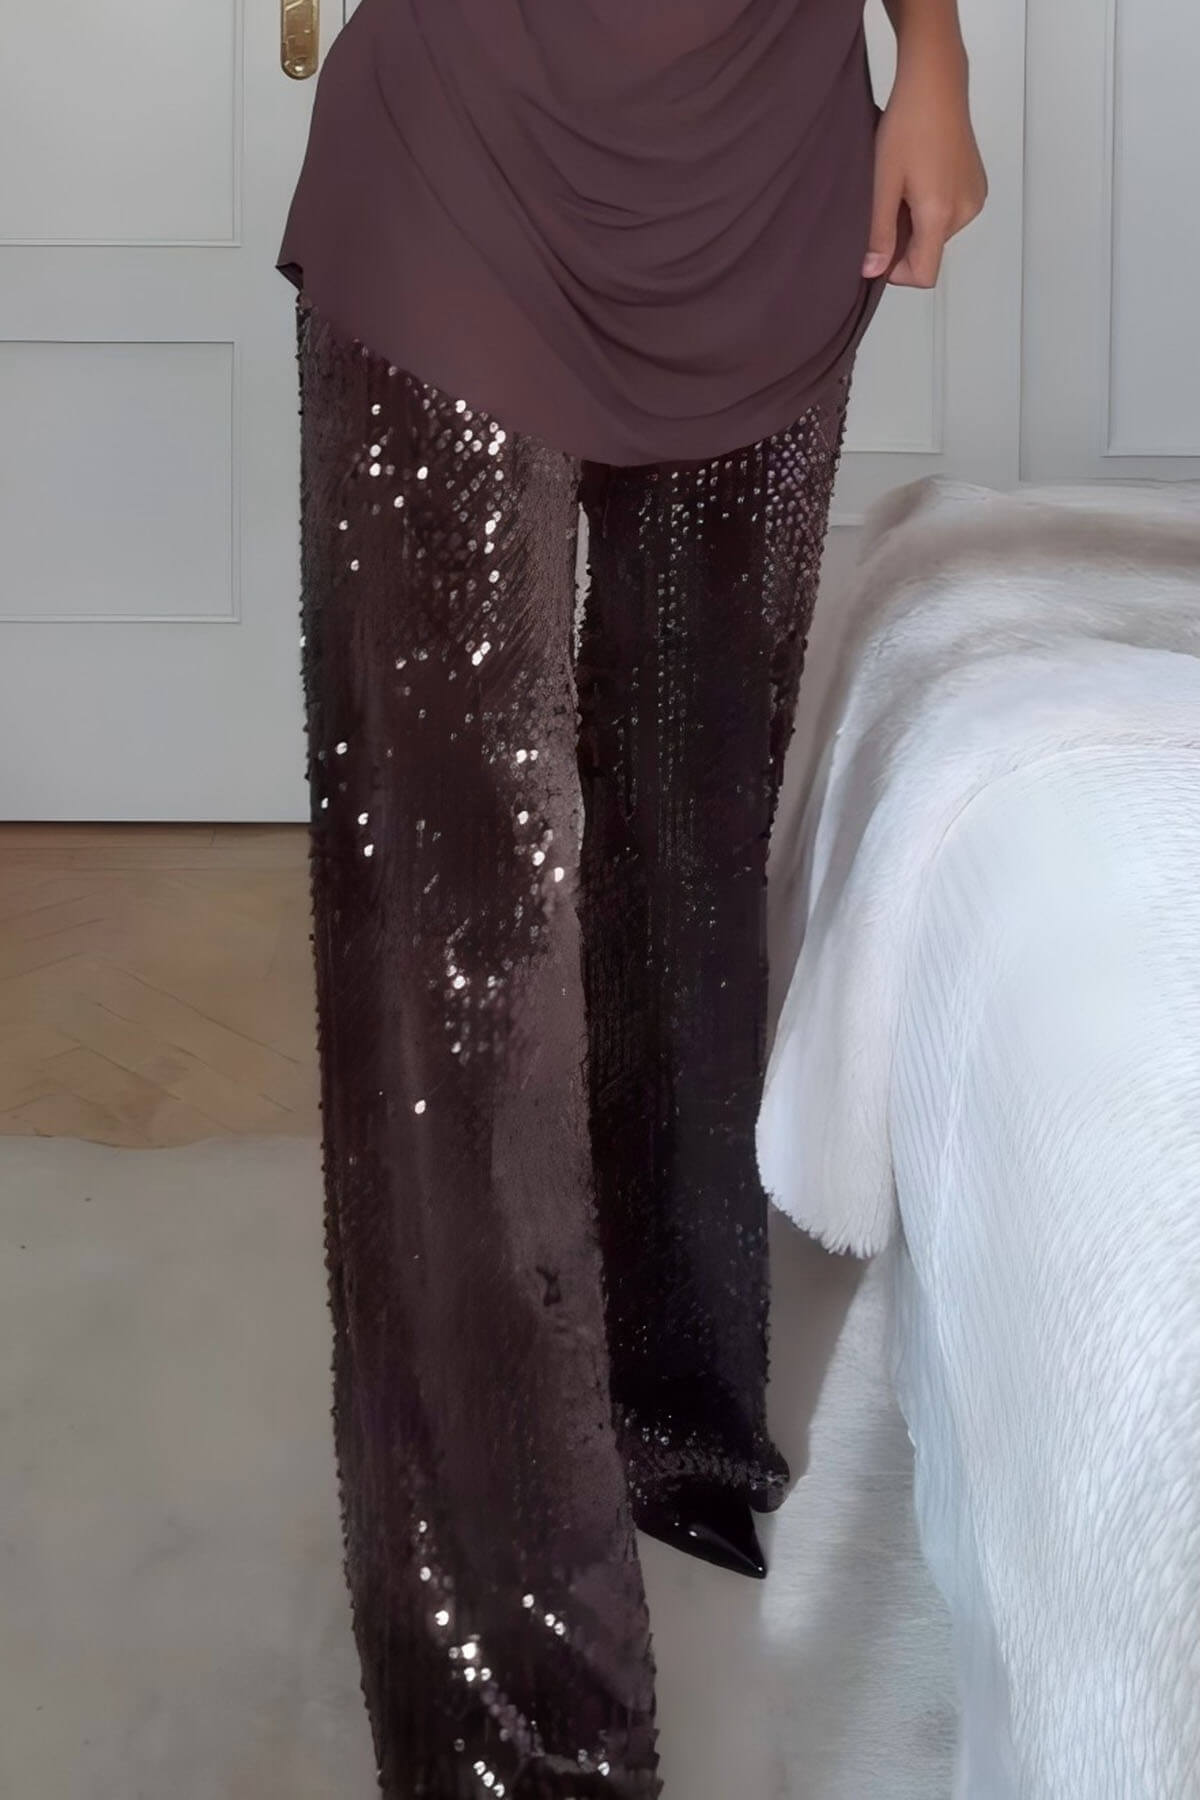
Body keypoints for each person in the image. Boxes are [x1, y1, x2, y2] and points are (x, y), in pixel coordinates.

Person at [278, 3, 986, 1794]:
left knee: (692, 832)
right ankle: (513, 1706)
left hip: (772, 178)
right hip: (460, 162)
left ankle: (670, 1418)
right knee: (467, 947)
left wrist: (940, 58)